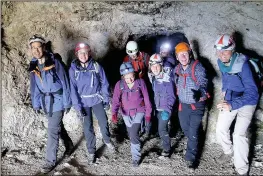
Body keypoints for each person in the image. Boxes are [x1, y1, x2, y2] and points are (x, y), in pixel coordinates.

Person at [28, 34, 74, 173]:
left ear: (44, 47)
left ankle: (50, 162)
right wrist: (35, 103)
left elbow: (65, 82)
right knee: (57, 126)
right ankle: (69, 145)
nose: (36, 50)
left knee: (52, 130)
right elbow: (34, 86)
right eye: (33, 48)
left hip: (58, 100)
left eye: (39, 47)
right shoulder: (34, 64)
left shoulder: (54, 62)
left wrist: (67, 102)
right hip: (46, 102)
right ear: (31, 50)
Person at [214, 34, 259, 175]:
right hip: (231, 98)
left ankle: (242, 170)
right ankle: (229, 151)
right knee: (220, 129)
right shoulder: (221, 62)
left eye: (225, 50)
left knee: (239, 135)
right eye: (219, 51)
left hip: (248, 102)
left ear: (232, 50)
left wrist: (232, 105)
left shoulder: (243, 65)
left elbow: (253, 93)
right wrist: (224, 90)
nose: (222, 54)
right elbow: (226, 77)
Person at [69, 42, 115, 164]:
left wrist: (105, 99)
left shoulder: (96, 66)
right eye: (80, 53)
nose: (83, 55)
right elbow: (72, 89)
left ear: (89, 53)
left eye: (85, 52)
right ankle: (91, 151)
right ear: (77, 54)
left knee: (103, 121)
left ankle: (107, 140)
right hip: (83, 102)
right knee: (87, 127)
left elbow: (104, 83)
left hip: (96, 99)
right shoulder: (73, 69)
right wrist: (77, 106)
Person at [173, 42, 209, 168]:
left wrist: (200, 92)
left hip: (196, 105)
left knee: (193, 131)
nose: (183, 57)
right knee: (186, 129)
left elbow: (204, 82)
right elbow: (174, 81)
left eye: (185, 54)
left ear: (189, 54)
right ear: (177, 57)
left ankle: (190, 159)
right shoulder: (176, 69)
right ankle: (194, 142)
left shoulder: (197, 67)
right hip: (183, 105)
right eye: (180, 55)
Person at [111, 62, 152, 167]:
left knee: (133, 134)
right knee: (132, 134)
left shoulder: (140, 82)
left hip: (139, 110)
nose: (130, 80)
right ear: (123, 76)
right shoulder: (119, 85)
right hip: (126, 113)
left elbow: (147, 99)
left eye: (131, 76)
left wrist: (148, 114)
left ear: (134, 74)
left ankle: (136, 157)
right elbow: (115, 100)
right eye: (126, 78)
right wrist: (114, 113)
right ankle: (138, 136)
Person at [148, 53, 176, 157]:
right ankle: (165, 140)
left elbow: (172, 96)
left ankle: (166, 150)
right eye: (152, 65)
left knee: (161, 129)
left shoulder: (167, 78)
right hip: (158, 107)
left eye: (157, 65)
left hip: (165, 109)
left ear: (161, 65)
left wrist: (167, 110)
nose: (154, 68)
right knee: (161, 128)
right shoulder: (154, 78)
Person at [123, 41, 152, 138]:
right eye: (130, 54)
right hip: (134, 86)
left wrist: (145, 73)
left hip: (146, 84)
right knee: (137, 106)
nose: (133, 56)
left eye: (134, 54)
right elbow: (124, 74)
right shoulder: (127, 59)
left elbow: (152, 68)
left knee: (148, 105)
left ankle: (148, 127)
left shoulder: (145, 57)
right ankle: (138, 128)